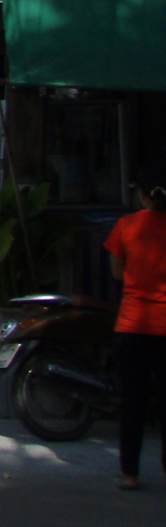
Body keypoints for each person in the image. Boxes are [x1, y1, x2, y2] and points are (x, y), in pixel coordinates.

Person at [105, 163, 166, 491]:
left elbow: (117, 273)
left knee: (133, 402)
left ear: (143, 195)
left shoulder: (126, 226)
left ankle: (129, 473)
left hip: (132, 324)